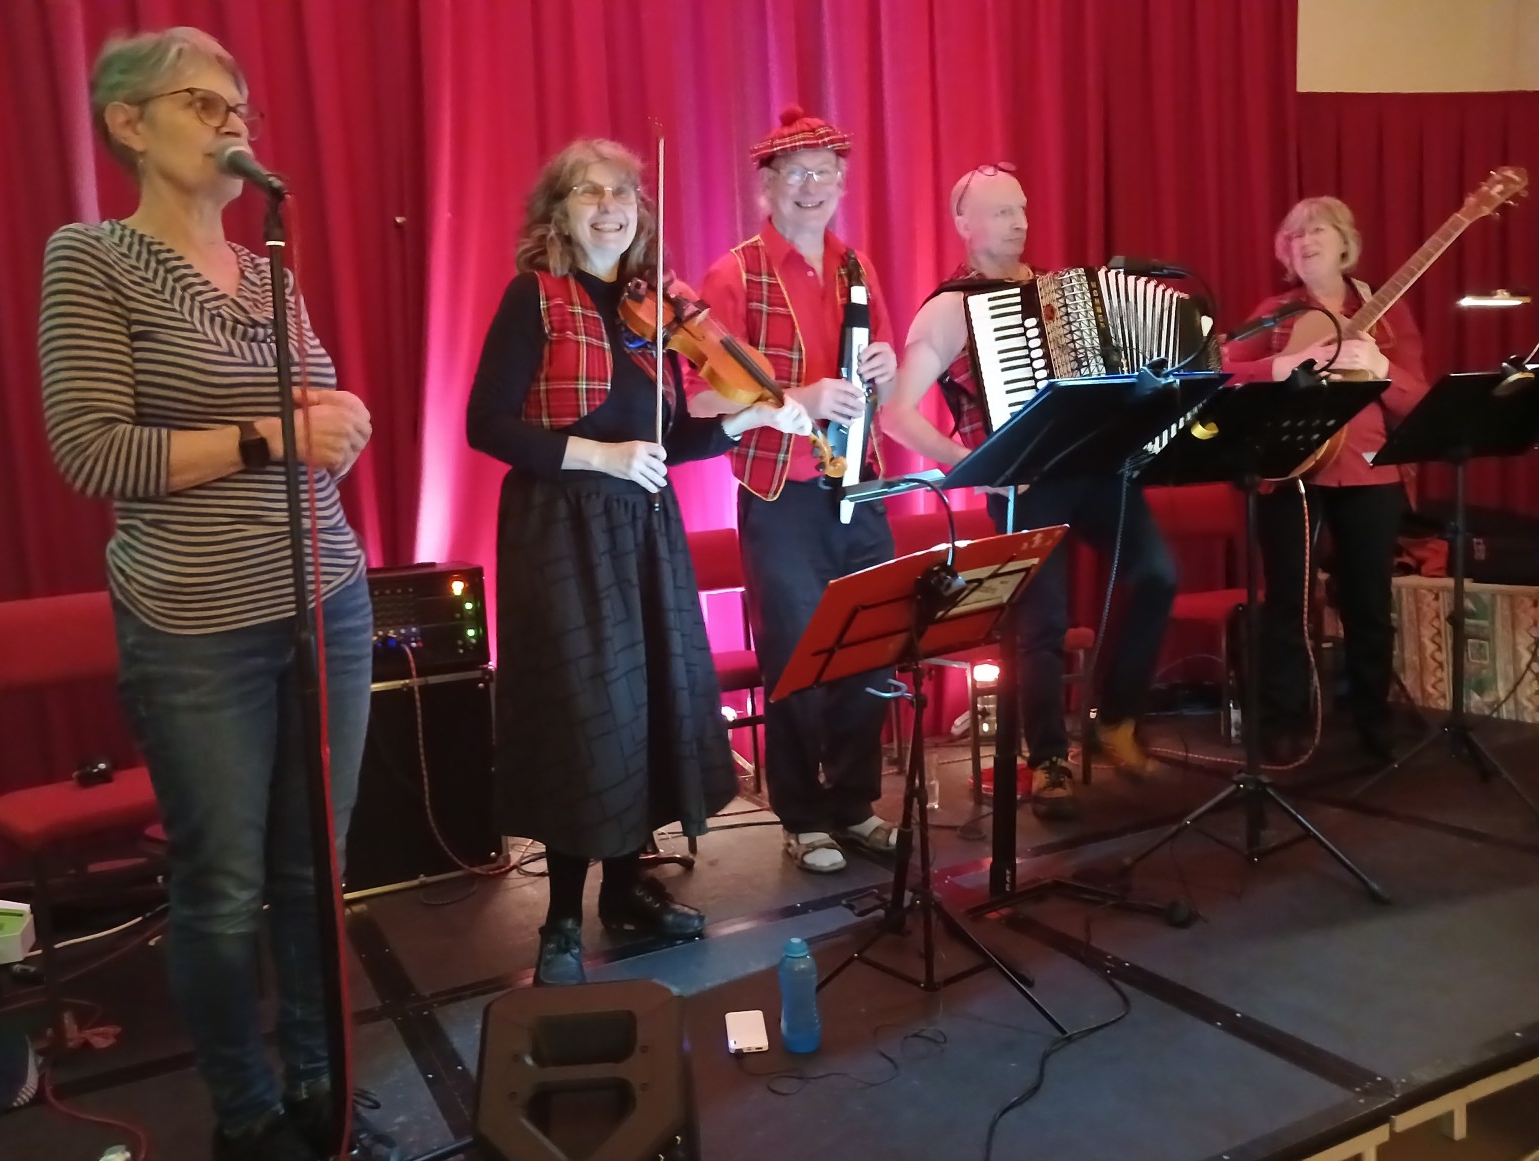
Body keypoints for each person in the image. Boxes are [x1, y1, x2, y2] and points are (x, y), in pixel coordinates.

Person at [38, 28, 394, 1161]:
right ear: (129, 124)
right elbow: (93, 453)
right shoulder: (90, 257)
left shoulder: (271, 269)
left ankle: (319, 1090)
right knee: (225, 882)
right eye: (201, 100)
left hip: (324, 595)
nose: (232, 117)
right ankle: (245, 1114)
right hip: (195, 622)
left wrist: (330, 431)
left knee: (312, 869)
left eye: (238, 101)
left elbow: (315, 413)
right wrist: (276, 434)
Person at [466, 139, 812, 984]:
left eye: (625, 193)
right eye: (592, 192)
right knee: (586, 717)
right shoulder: (533, 297)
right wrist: (598, 456)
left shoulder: (652, 310)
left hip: (643, 529)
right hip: (564, 529)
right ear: (560, 210)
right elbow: (487, 426)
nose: (612, 206)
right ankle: (557, 921)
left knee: (649, 707)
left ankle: (626, 893)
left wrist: (752, 419)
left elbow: (674, 438)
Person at [882, 163, 1178, 819]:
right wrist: (974, 464)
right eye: (1001, 211)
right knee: (1040, 623)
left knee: (1156, 574)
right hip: (1025, 482)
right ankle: (1046, 758)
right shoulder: (948, 308)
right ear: (964, 223)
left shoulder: (1063, 294)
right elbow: (895, 415)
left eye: (1022, 209)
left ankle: (1115, 717)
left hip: (1096, 469)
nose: (1020, 223)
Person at [696, 107, 900, 874]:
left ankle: (853, 805)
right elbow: (704, 398)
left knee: (870, 653)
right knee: (798, 656)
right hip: (781, 495)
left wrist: (879, 366)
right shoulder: (735, 273)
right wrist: (797, 399)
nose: (813, 188)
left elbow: (873, 373)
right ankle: (802, 816)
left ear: (843, 184)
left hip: (861, 486)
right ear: (767, 188)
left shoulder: (858, 267)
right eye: (796, 175)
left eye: (825, 174)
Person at [1222, 196, 1429, 764]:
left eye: (1318, 230)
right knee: (1288, 602)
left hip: (1370, 471)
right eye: (1294, 234)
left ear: (1345, 243)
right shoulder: (1277, 312)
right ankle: (1286, 719)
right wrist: (1279, 366)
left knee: (1369, 601)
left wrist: (1381, 370)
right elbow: (1219, 367)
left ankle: (1371, 718)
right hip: (1291, 472)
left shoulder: (1386, 312)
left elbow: (1420, 404)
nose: (1305, 240)